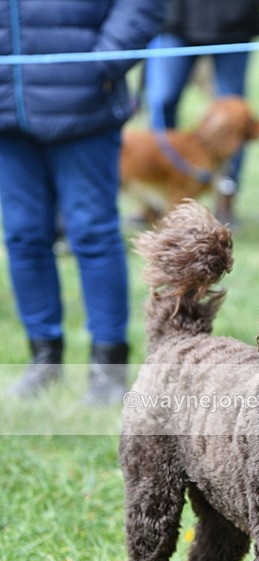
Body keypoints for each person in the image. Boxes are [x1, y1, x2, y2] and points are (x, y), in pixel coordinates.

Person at [0, 0, 166, 405]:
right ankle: (45, 360)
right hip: (7, 106)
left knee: (93, 234)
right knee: (23, 235)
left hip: (83, 103)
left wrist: (100, 64)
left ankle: (107, 368)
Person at [144, 0, 259, 226]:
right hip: (175, 16)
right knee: (161, 101)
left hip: (233, 18)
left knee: (235, 119)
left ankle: (226, 198)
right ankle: (156, 199)